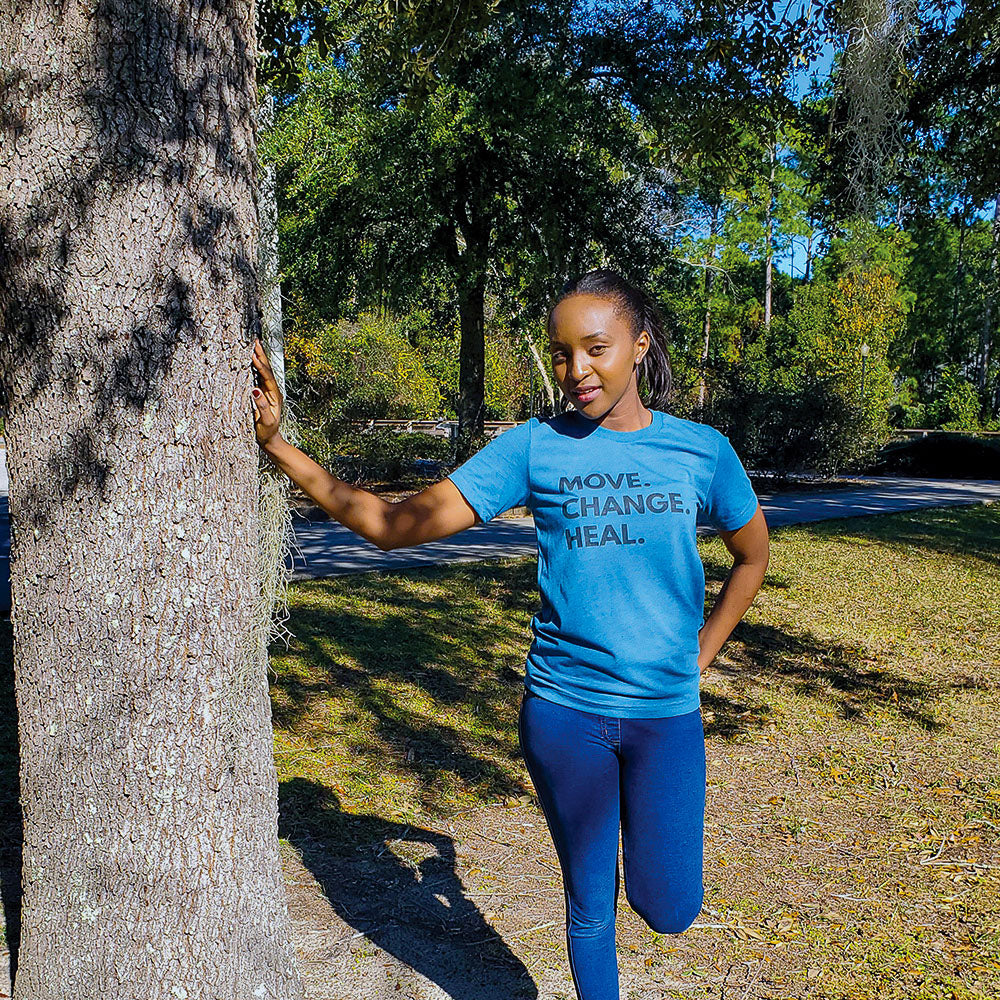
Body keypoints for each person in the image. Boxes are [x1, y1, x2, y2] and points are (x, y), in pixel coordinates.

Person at [251, 269, 770, 1000]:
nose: (576, 371)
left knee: (669, 907)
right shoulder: (534, 448)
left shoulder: (702, 451)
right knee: (591, 903)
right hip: (565, 714)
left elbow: (753, 555)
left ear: (639, 345)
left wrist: (701, 655)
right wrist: (279, 446)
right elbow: (393, 526)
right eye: (562, 354)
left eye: (596, 349)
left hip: (665, 716)